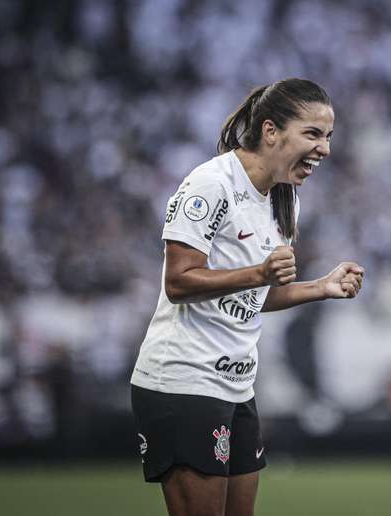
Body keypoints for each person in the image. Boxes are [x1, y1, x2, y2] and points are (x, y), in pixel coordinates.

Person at [130, 78, 364, 516]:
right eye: (313, 134)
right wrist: (258, 272)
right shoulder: (211, 183)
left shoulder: (284, 198)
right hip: (183, 380)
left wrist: (321, 287)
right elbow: (178, 282)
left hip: (237, 386)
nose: (325, 150)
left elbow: (256, 294)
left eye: (328, 137)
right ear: (271, 131)